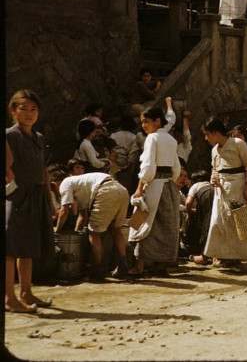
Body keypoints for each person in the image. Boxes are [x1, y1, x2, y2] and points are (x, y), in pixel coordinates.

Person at [5, 89, 56, 313]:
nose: (29, 113)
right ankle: (9, 297)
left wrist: (49, 199)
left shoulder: (39, 138)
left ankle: (26, 291)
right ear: (14, 111)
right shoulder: (9, 135)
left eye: (33, 109)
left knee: (29, 246)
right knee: (10, 248)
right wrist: (13, 187)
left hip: (36, 194)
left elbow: (44, 170)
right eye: (23, 108)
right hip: (16, 196)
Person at [127, 107, 182, 277]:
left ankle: (140, 266)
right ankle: (161, 266)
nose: (143, 125)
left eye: (146, 121)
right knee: (166, 226)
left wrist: (140, 187)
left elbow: (148, 166)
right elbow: (176, 168)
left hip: (154, 184)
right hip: (168, 186)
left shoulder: (152, 138)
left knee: (145, 223)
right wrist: (171, 182)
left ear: (158, 121)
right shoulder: (171, 140)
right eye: (142, 121)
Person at [201, 116, 247, 269]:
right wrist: (213, 179)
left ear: (215, 132)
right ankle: (224, 255)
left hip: (239, 186)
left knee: (240, 222)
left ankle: (239, 257)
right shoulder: (214, 150)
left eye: (207, 134)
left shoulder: (237, 143)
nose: (206, 138)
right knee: (220, 223)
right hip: (222, 190)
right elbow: (215, 169)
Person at [55, 171, 130, 279]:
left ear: (55, 183)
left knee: (94, 233)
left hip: (106, 191)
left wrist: (57, 231)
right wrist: (77, 233)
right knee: (115, 229)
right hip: (121, 190)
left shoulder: (65, 183)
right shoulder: (81, 184)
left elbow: (64, 211)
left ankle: (97, 269)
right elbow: (83, 216)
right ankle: (123, 264)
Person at [183, 170, 215, 264]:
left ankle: (204, 255)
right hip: (215, 195)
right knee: (213, 223)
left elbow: (188, 203)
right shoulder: (210, 185)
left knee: (206, 225)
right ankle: (214, 255)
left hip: (205, 196)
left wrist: (189, 213)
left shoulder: (195, 186)